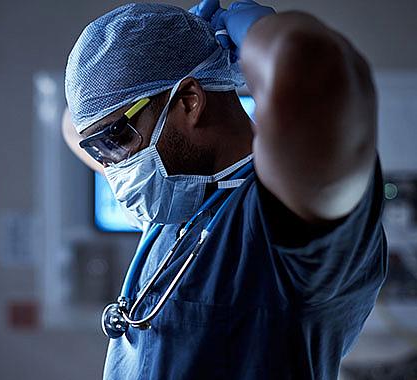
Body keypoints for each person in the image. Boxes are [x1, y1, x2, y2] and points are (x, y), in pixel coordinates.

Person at [63, 1, 387, 379]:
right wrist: (165, 54)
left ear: (189, 102)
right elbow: (75, 123)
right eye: (100, 151)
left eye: (116, 139)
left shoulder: (285, 220)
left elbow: (312, 69)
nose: (112, 167)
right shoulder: (180, 200)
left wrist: (254, 38)